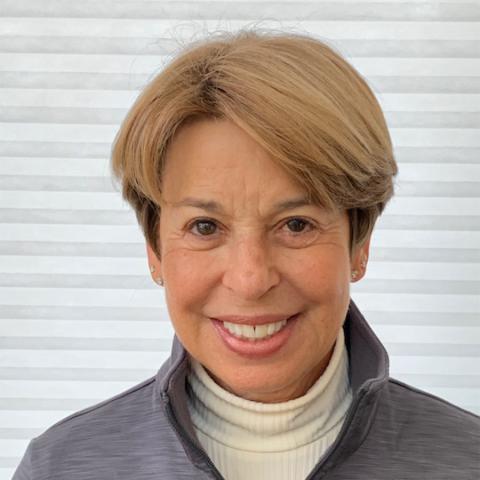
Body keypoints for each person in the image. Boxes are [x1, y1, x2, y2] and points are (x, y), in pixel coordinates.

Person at [13, 30, 479, 480]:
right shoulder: (57, 468)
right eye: (205, 227)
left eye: (296, 225)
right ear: (154, 249)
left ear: (360, 243)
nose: (251, 279)